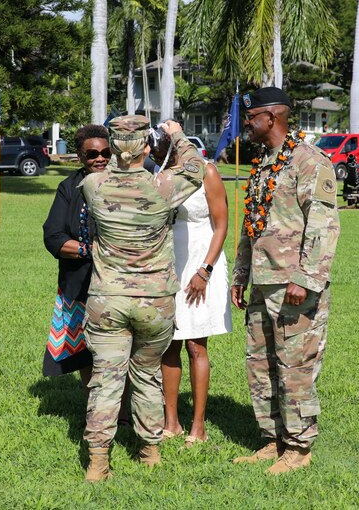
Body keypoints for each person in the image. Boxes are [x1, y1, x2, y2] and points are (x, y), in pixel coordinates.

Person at [80, 115, 205, 482]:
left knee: (106, 380)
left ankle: (98, 463)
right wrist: (177, 134)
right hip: (155, 301)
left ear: (114, 146)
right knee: (147, 374)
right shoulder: (163, 186)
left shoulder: (93, 184)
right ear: (146, 147)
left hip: (108, 299)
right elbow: (196, 166)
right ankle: (149, 452)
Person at [230, 87, 340, 475]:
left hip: (294, 285)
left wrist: (306, 279)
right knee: (260, 363)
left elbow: (324, 225)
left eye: (252, 117)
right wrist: (241, 273)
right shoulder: (264, 162)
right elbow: (252, 223)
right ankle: (272, 439)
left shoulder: (309, 161)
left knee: (295, 364)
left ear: (272, 117)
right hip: (262, 282)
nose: (247, 123)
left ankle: (299, 447)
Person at [152, 131, 231, 448]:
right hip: (169, 267)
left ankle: (198, 426)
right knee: (168, 344)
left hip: (201, 264)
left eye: (159, 151)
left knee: (196, 345)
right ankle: (171, 421)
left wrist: (205, 270)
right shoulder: (160, 178)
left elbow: (222, 224)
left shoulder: (207, 171)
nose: (156, 157)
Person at [41, 125, 111, 385]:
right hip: (81, 282)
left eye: (106, 152)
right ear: (80, 156)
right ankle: (95, 409)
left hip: (122, 283)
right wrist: (89, 250)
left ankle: (124, 414)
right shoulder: (70, 187)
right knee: (86, 352)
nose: (100, 158)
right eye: (92, 154)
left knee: (122, 350)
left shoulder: (126, 184)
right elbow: (54, 237)